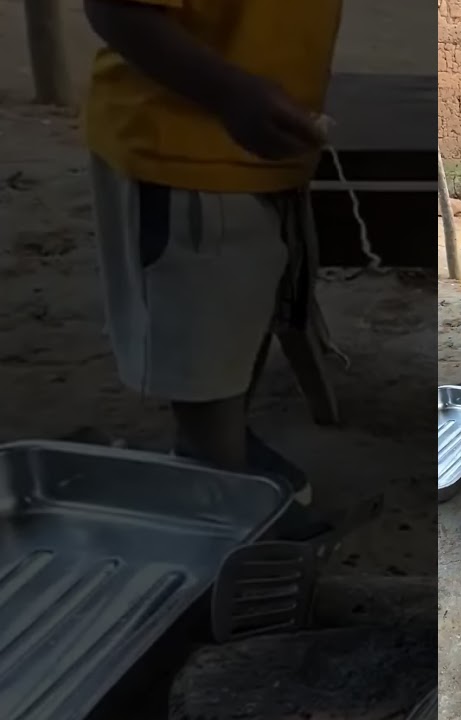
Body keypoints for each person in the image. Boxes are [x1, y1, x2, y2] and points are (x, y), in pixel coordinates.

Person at [82, 0, 343, 503]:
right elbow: (115, 9)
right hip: (184, 156)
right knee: (201, 351)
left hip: (267, 149)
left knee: (243, 318)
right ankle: (213, 481)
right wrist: (226, 92)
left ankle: (224, 450)